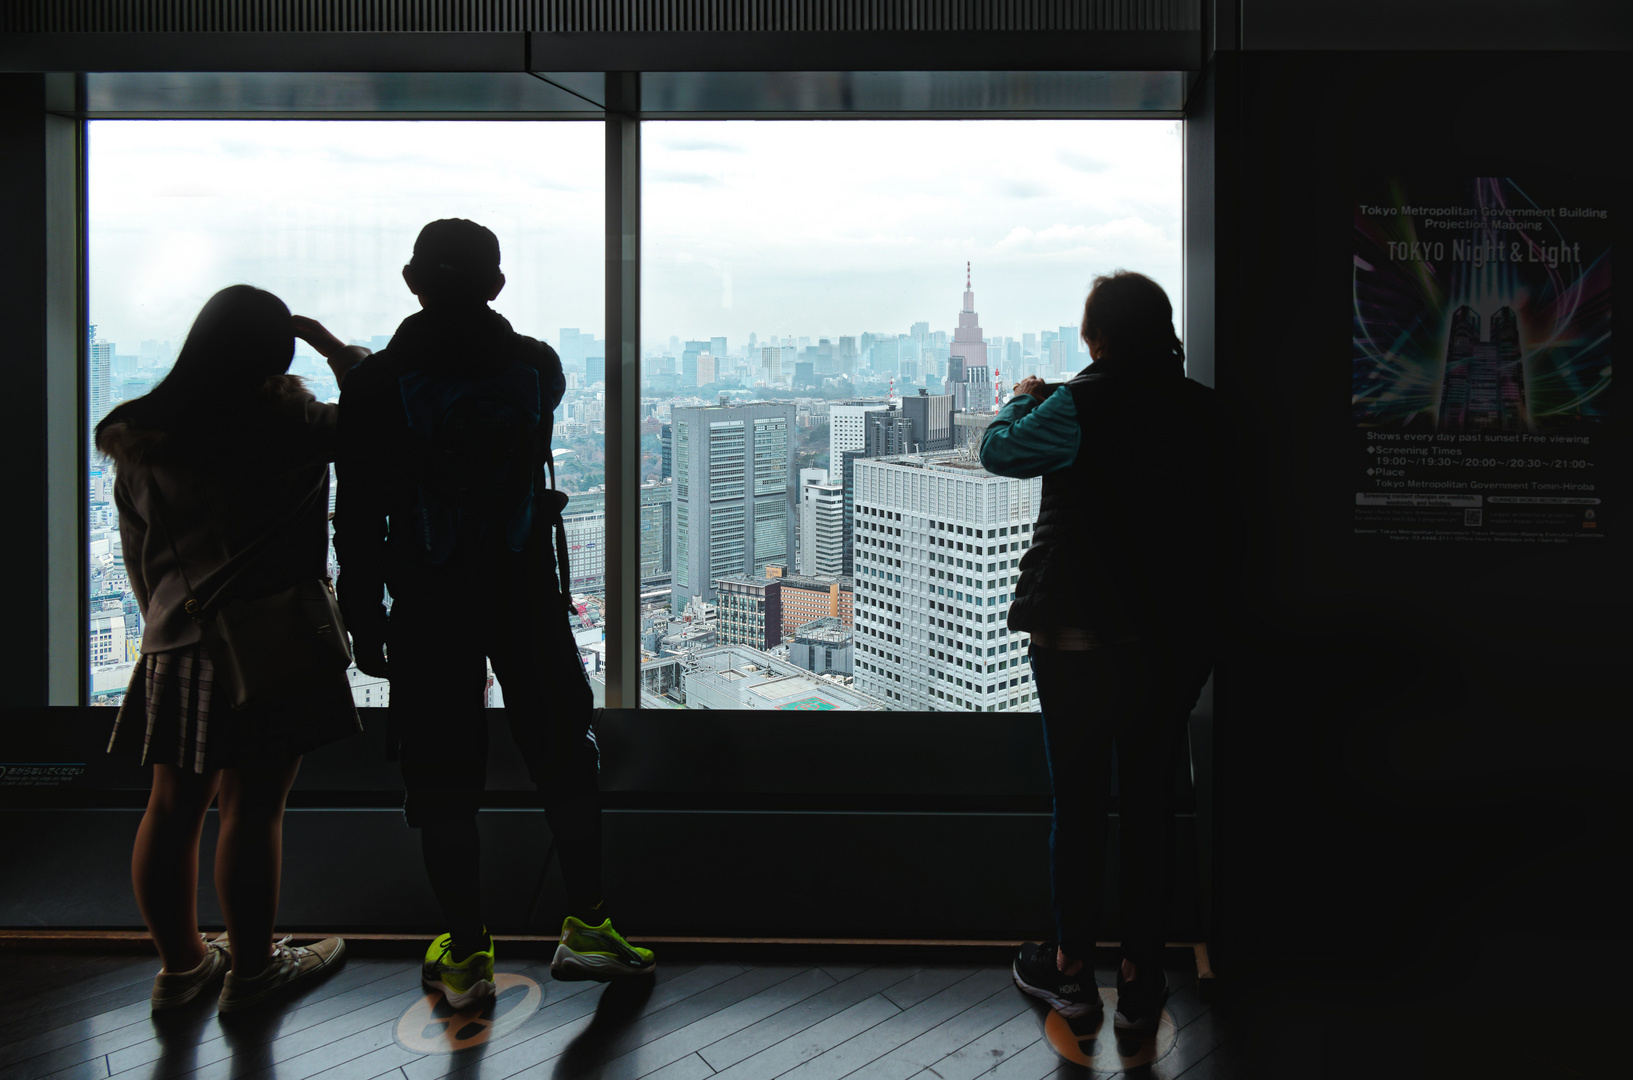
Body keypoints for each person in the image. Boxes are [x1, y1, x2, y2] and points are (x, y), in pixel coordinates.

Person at [333, 218, 653, 1009]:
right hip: (522, 587)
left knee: (441, 777)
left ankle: (468, 953)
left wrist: (362, 617)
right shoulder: (537, 368)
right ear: (498, 285)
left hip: (426, 596)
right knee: (564, 754)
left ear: (412, 280)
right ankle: (586, 925)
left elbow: (357, 510)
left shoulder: (377, 385)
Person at [99, 285, 367, 1012]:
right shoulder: (289, 423)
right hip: (272, 640)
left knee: (170, 810)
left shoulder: (141, 434)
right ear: (275, 353)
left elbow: (138, 553)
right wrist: (337, 352)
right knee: (252, 811)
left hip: (177, 641)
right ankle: (253, 973)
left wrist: (167, 615)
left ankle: (182, 968)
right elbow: (378, 424)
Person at [980, 271, 1232, 1035]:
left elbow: (1000, 452)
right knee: (1152, 804)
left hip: (1080, 636)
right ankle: (1142, 973)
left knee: (1081, 806)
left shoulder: (1077, 404)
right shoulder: (1205, 412)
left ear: (1097, 338)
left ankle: (1069, 974)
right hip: (1171, 641)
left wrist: (1026, 396)